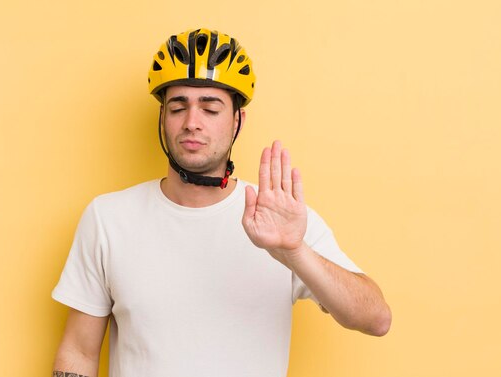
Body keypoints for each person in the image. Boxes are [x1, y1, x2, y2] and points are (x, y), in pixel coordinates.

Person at [51, 28, 391, 377]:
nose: (191, 123)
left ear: (237, 122)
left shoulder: (282, 223)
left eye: (210, 109)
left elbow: (376, 319)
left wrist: (293, 251)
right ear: (162, 118)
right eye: (177, 107)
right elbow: (78, 351)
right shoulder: (108, 219)